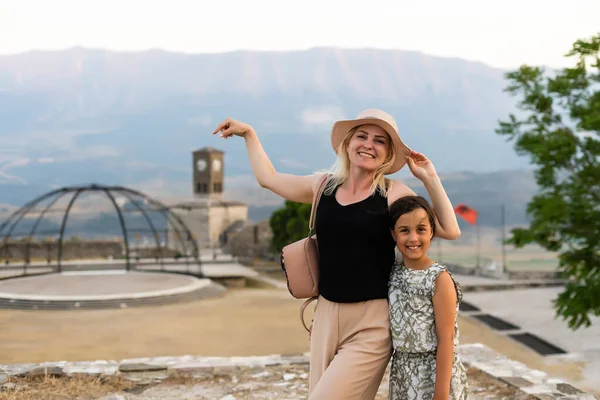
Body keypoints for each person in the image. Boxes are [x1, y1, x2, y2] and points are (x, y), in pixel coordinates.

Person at [212, 109, 461, 400]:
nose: (369, 144)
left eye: (380, 141)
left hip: (372, 322)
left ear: (388, 154)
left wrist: (429, 177)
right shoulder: (322, 187)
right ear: (347, 143)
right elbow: (269, 179)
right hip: (326, 316)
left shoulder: (392, 193)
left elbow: (448, 229)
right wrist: (249, 134)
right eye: (362, 136)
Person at [387, 195, 469, 400]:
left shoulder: (438, 279)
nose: (413, 238)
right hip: (402, 374)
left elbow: (446, 339)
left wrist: (440, 395)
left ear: (432, 231)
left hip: (434, 375)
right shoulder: (393, 271)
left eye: (421, 229)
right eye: (404, 231)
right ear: (393, 234)